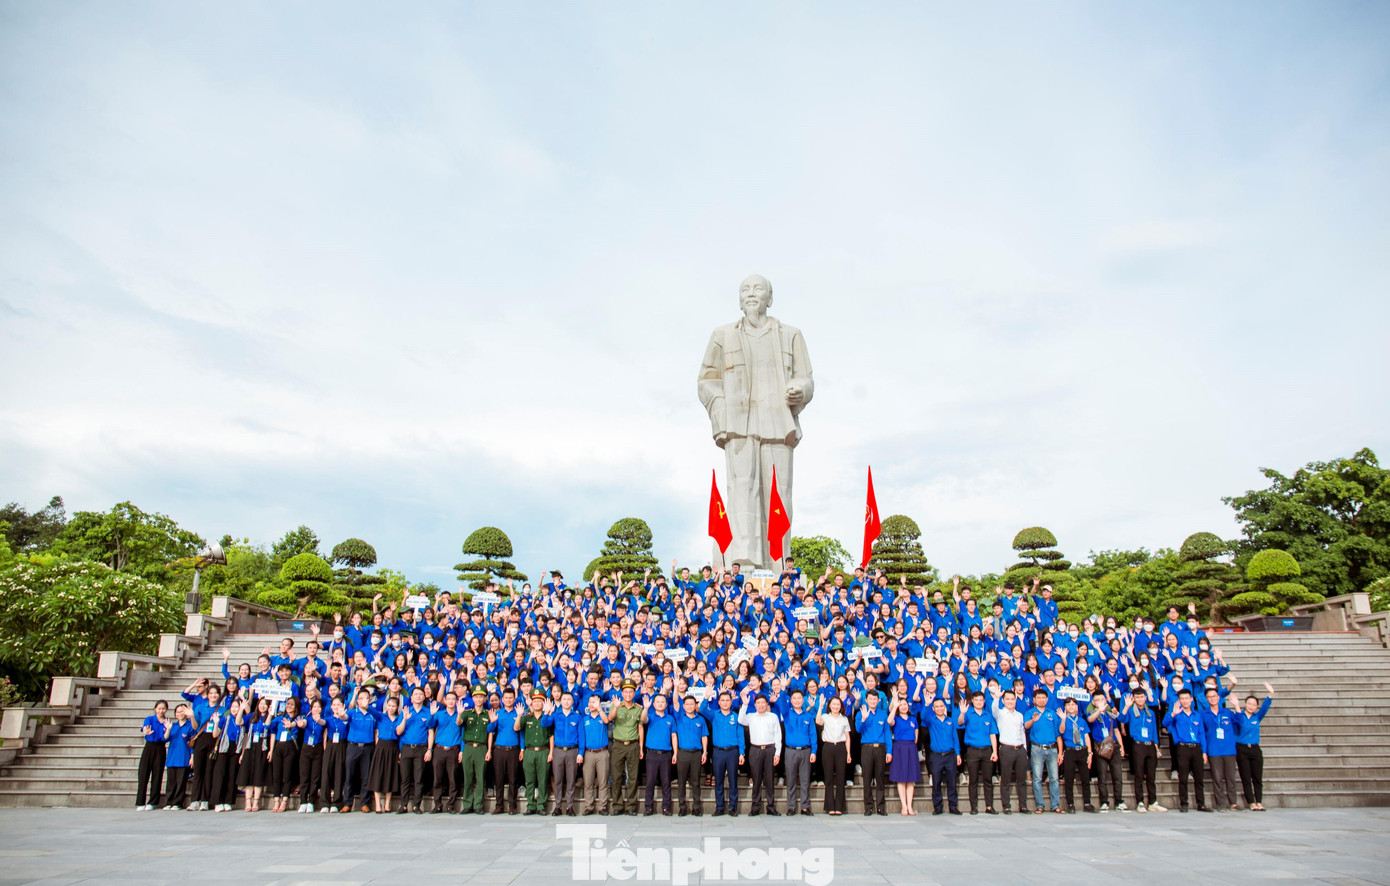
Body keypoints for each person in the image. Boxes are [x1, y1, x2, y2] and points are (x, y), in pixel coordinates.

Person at [1163, 688, 1209, 813]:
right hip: (1182, 748)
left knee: (1199, 778)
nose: (1185, 701)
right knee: (1183, 777)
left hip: (1196, 748)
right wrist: (1173, 713)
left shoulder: (1197, 715)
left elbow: (1202, 735)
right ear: (1179, 700)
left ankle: (1201, 803)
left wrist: (1204, 752)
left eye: (1187, 698)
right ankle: (1184, 803)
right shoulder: (1176, 714)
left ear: (1191, 699)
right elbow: (1165, 723)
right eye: (1182, 699)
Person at [738, 692, 782, 816]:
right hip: (755, 750)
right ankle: (755, 807)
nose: (761, 705)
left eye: (763, 702)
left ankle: (771, 806)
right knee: (756, 779)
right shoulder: (751, 716)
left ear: (766, 704)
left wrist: (777, 753)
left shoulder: (773, 716)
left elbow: (777, 735)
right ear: (755, 705)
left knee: (769, 779)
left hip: (769, 749)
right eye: (758, 703)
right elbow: (741, 720)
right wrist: (745, 705)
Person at [1121, 687, 1164, 813]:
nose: (1140, 699)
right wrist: (1126, 706)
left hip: (1150, 745)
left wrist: (1156, 747)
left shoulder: (1150, 712)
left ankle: (1152, 801)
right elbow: (1121, 719)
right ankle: (1140, 801)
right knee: (1139, 774)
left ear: (1145, 698)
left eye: (1142, 697)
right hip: (1138, 745)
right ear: (1134, 699)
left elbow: (1154, 731)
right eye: (1137, 697)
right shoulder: (1130, 711)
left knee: (1151, 775)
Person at [704, 689, 745, 816]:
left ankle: (733, 807)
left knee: (733, 780)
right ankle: (720, 806)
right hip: (718, 752)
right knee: (719, 781)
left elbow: (740, 735)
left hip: (732, 752)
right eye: (722, 701)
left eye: (727, 700)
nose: (725, 703)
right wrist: (706, 697)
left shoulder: (736, 716)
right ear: (719, 702)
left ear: (731, 702)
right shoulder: (714, 715)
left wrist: (742, 753)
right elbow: (702, 709)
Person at [1234, 683, 1274, 811]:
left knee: (1257, 777)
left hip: (1255, 749)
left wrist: (1270, 694)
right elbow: (1239, 721)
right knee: (1246, 777)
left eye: (1254, 705)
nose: (1251, 706)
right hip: (1242, 748)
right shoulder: (1240, 716)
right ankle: (1251, 802)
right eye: (1249, 704)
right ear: (1245, 704)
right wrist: (1236, 705)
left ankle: (1259, 801)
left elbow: (1265, 708)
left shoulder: (1257, 717)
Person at [958, 691, 998, 815]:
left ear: (984, 701)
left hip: (987, 750)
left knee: (987, 779)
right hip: (972, 751)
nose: (979, 702)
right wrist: (962, 712)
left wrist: (995, 751)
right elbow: (960, 722)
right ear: (973, 701)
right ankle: (973, 807)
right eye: (976, 700)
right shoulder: (968, 714)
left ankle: (989, 806)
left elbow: (993, 735)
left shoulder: (988, 715)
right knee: (973, 780)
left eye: (981, 700)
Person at [921, 696, 962, 816]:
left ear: (944, 707)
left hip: (950, 755)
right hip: (936, 756)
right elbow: (923, 716)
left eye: (941, 706)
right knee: (936, 782)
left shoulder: (950, 721)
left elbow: (955, 739)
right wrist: (927, 705)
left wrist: (958, 753)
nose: (939, 708)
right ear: (933, 708)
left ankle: (953, 806)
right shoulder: (931, 720)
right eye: (937, 707)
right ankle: (937, 806)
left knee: (952, 782)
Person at [1086, 693, 1127, 812]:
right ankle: (1104, 801)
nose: (1100, 701)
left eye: (1102, 699)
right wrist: (1099, 710)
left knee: (1117, 775)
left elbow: (1116, 730)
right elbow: (1090, 719)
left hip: (1113, 746)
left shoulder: (1110, 715)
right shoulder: (1092, 713)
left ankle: (1119, 801)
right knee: (1102, 776)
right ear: (1093, 702)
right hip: (1100, 747)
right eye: (1097, 700)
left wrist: (1121, 746)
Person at [1202, 686, 1240, 812]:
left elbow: (1240, 722)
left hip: (1229, 749)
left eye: (1214, 696)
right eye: (1209, 697)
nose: (1212, 699)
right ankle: (1220, 803)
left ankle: (1233, 802)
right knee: (1217, 778)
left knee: (1230, 778)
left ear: (1218, 697)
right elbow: (1202, 733)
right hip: (1214, 750)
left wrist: (1236, 706)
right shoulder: (1204, 714)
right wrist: (1205, 751)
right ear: (1206, 699)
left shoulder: (1227, 713)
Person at [517, 690, 555, 815]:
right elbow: (516, 728)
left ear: (544, 703)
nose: (537, 703)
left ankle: (541, 805)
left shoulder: (547, 718)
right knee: (530, 779)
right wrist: (518, 715)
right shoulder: (526, 717)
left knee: (543, 779)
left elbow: (551, 736)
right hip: (530, 751)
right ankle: (530, 805)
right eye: (535, 701)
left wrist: (551, 752)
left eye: (540, 701)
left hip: (543, 751)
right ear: (531, 703)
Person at [991, 687, 1028, 814]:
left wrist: (1025, 749)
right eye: (1007, 699)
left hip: (1020, 749)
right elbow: (994, 709)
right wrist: (996, 697)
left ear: (1015, 700)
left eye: (1012, 699)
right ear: (1003, 700)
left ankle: (1023, 805)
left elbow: (1022, 732)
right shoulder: (1000, 713)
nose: (1010, 701)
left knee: (1022, 780)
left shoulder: (1019, 715)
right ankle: (1006, 805)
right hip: (1006, 749)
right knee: (1005, 779)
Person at [1025, 688, 1062, 814]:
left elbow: (1058, 734)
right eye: (1038, 698)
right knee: (1037, 778)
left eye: (1043, 698)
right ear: (1034, 700)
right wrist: (1033, 720)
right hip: (1037, 748)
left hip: (1052, 748)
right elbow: (1026, 726)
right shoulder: (1030, 713)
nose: (1041, 700)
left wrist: (1060, 752)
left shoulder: (1052, 713)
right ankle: (1039, 805)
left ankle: (1055, 804)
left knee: (1054, 778)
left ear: (1046, 699)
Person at [427, 690, 464, 814]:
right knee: (437, 778)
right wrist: (431, 715)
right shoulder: (439, 714)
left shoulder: (460, 715)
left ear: (457, 701)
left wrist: (461, 751)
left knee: (453, 778)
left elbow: (463, 734)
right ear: (445, 701)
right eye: (448, 699)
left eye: (453, 699)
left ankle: (451, 805)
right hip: (439, 749)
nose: (451, 701)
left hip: (453, 750)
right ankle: (437, 804)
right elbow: (430, 726)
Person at [397, 686, 432, 814]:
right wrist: (405, 720)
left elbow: (431, 733)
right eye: (415, 694)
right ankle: (403, 804)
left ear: (424, 697)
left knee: (419, 778)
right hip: (406, 748)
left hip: (420, 749)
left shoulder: (427, 712)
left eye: (420, 694)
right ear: (411, 698)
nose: (418, 696)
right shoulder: (405, 711)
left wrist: (429, 749)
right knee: (405, 779)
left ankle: (417, 805)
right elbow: (398, 731)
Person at [610, 680, 643, 815]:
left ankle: (631, 805)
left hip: (633, 745)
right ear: (622, 693)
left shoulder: (638, 708)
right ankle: (617, 805)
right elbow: (609, 718)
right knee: (616, 776)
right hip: (618, 744)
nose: (628, 694)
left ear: (634, 693)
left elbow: (640, 728)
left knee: (633, 777)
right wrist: (616, 707)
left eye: (631, 692)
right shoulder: (617, 705)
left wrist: (640, 748)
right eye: (625, 692)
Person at [782, 688, 817, 816]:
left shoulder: (808, 716)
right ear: (791, 700)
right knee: (790, 780)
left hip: (805, 751)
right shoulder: (787, 713)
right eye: (794, 698)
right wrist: (783, 689)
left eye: (799, 698)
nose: (797, 701)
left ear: (804, 700)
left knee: (805, 780)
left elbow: (813, 734)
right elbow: (782, 702)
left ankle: (805, 807)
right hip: (790, 751)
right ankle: (791, 807)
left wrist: (814, 751)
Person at [458, 689, 493, 814]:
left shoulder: (488, 714)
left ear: (484, 699)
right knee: (468, 776)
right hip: (468, 747)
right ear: (473, 698)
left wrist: (489, 750)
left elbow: (490, 734)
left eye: (481, 697)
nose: (478, 699)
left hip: (481, 747)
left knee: (480, 777)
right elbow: (459, 723)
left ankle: (478, 805)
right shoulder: (467, 713)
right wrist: (459, 714)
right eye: (476, 697)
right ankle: (467, 804)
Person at [886, 688, 921, 815]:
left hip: (911, 747)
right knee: (901, 778)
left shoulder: (912, 719)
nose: (904, 707)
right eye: (901, 705)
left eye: (905, 704)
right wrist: (894, 707)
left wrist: (915, 740)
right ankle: (904, 806)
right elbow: (889, 721)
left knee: (910, 778)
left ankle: (910, 806)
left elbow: (916, 730)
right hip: (899, 747)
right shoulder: (896, 718)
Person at [674, 694, 709, 816]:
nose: (689, 706)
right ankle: (682, 807)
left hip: (696, 754)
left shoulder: (700, 719)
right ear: (683, 706)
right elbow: (675, 702)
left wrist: (704, 752)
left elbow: (704, 736)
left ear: (696, 706)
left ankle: (696, 807)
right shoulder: (679, 717)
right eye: (687, 704)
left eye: (692, 704)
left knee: (696, 781)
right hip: (682, 753)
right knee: (682, 781)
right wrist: (676, 687)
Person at [366, 695, 402, 813]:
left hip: (393, 747)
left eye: (393, 706)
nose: (391, 708)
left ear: (397, 707)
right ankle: (377, 804)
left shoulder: (399, 719)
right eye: (389, 705)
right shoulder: (381, 717)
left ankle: (387, 804)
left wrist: (400, 751)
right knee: (378, 774)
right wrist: (366, 703)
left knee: (390, 774)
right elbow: (370, 710)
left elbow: (401, 736)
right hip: (381, 747)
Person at [1059, 697, 1095, 813]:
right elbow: (1061, 731)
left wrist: (1090, 752)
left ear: (1076, 707)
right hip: (1070, 751)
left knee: (1085, 778)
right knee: (1069, 778)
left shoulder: (1081, 720)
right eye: (1068, 705)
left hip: (1082, 751)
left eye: (1073, 705)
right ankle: (1070, 804)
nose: (1071, 707)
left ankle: (1087, 803)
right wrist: (1063, 720)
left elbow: (1086, 737)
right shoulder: (1063, 719)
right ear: (1065, 707)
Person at [856, 689, 889, 815]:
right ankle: (868, 807)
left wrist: (889, 751)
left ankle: (881, 807)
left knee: (880, 777)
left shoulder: (882, 714)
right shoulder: (861, 713)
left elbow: (886, 733)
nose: (873, 701)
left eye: (875, 699)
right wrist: (864, 719)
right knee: (867, 777)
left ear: (878, 700)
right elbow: (858, 730)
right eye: (870, 699)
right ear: (866, 700)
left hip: (880, 748)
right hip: (867, 747)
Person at [578, 694, 612, 815]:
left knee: (603, 781)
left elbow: (607, 721)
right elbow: (582, 738)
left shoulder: (602, 717)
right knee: (588, 781)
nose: (592, 704)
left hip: (602, 752)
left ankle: (603, 806)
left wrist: (600, 709)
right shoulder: (584, 719)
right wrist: (580, 753)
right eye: (590, 702)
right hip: (588, 753)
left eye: (595, 702)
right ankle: (589, 806)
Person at [491, 687, 523, 814]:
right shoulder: (498, 713)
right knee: (498, 779)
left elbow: (521, 733)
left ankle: (512, 805)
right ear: (502, 700)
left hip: (513, 750)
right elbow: (490, 730)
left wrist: (522, 749)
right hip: (499, 749)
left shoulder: (519, 712)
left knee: (513, 779)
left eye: (511, 698)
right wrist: (492, 722)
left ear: (514, 699)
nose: (508, 700)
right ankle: (499, 805)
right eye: (506, 698)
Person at [550, 691, 583, 816]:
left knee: (571, 780)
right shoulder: (555, 715)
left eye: (569, 699)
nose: (566, 702)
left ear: (572, 702)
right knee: (558, 779)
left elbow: (581, 736)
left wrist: (580, 753)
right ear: (561, 701)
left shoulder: (577, 716)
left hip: (572, 751)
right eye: (564, 699)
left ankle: (570, 807)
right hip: (558, 750)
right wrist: (547, 712)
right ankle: (557, 806)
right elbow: (545, 723)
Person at [817, 695, 851, 815]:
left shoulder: (844, 719)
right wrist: (820, 706)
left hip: (841, 748)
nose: (836, 706)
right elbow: (818, 721)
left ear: (841, 706)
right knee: (829, 777)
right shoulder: (825, 717)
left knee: (841, 778)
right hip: (828, 748)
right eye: (833, 704)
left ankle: (840, 807)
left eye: (838, 704)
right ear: (830, 706)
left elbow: (847, 737)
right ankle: (830, 806)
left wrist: (848, 753)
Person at [267, 696, 301, 813]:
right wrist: (270, 713)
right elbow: (268, 727)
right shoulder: (280, 718)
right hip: (278, 746)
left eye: (292, 704)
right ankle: (276, 800)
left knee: (287, 776)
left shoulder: (298, 718)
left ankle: (284, 801)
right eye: (287, 704)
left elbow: (301, 724)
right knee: (276, 775)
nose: (289, 706)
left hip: (290, 746)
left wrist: (292, 724)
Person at [136, 700, 169, 810]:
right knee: (143, 774)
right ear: (155, 709)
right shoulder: (150, 719)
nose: (161, 711)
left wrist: (168, 729)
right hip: (149, 747)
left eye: (163, 709)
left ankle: (153, 802)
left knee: (157, 775)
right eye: (159, 708)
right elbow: (145, 728)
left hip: (160, 748)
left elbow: (166, 737)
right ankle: (140, 802)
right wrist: (146, 731)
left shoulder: (167, 721)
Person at [164, 703, 195, 810]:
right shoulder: (172, 726)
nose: (180, 713)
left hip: (183, 757)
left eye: (182, 711)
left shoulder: (190, 726)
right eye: (178, 712)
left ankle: (177, 803)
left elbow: (192, 743)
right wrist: (168, 729)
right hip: (172, 758)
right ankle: (169, 802)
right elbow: (165, 739)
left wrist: (192, 757)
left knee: (181, 782)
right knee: (171, 782)